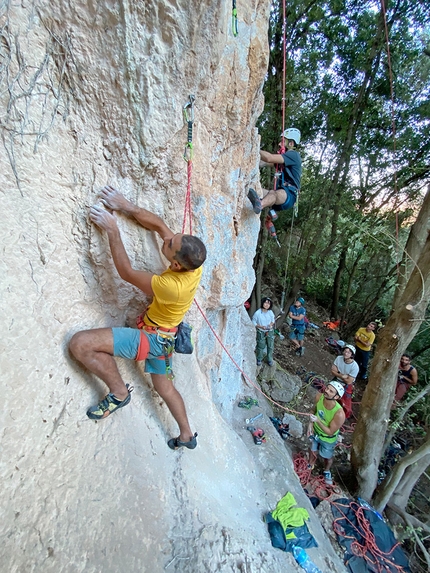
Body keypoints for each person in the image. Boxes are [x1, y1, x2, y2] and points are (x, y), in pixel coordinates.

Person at [69, 185, 207, 451]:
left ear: (176, 265)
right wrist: (126, 205)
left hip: (151, 339)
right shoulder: (193, 262)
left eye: (169, 244)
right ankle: (187, 435)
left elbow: (126, 272)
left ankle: (119, 393)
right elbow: (159, 226)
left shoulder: (171, 286)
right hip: (167, 337)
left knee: (80, 344)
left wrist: (112, 229)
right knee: (165, 388)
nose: (167, 238)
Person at [247, 128, 302, 215]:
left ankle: (260, 205)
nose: (279, 144)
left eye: (283, 141)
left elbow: (269, 158)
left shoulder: (293, 155)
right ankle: (271, 217)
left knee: (273, 193)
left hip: (290, 194)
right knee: (256, 190)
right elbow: (263, 163)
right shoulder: (284, 161)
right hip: (282, 195)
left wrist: (254, 146)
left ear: (291, 143)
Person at [307, 381, 346, 486]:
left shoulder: (339, 414)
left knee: (327, 457)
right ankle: (310, 465)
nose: (326, 391)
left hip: (327, 438)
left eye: (331, 391)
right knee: (312, 450)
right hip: (315, 431)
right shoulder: (319, 397)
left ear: (336, 396)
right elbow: (313, 410)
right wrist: (310, 425)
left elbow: (330, 432)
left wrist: (317, 421)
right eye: (327, 388)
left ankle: (327, 470)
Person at [331, 345, 359, 419]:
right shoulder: (339, 358)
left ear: (352, 355)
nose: (346, 353)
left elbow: (349, 381)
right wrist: (342, 376)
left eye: (349, 352)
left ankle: (344, 416)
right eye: (345, 351)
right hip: (337, 380)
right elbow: (333, 371)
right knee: (330, 394)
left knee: (346, 403)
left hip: (346, 385)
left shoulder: (355, 366)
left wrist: (338, 374)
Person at [252, 297, 276, 366]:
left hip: (270, 331)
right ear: (262, 303)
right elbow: (253, 321)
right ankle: (259, 358)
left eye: (268, 303)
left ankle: (269, 359)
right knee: (260, 345)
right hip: (261, 331)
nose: (266, 305)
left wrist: (270, 325)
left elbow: (273, 320)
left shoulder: (270, 312)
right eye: (265, 303)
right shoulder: (258, 313)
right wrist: (260, 326)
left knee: (270, 346)